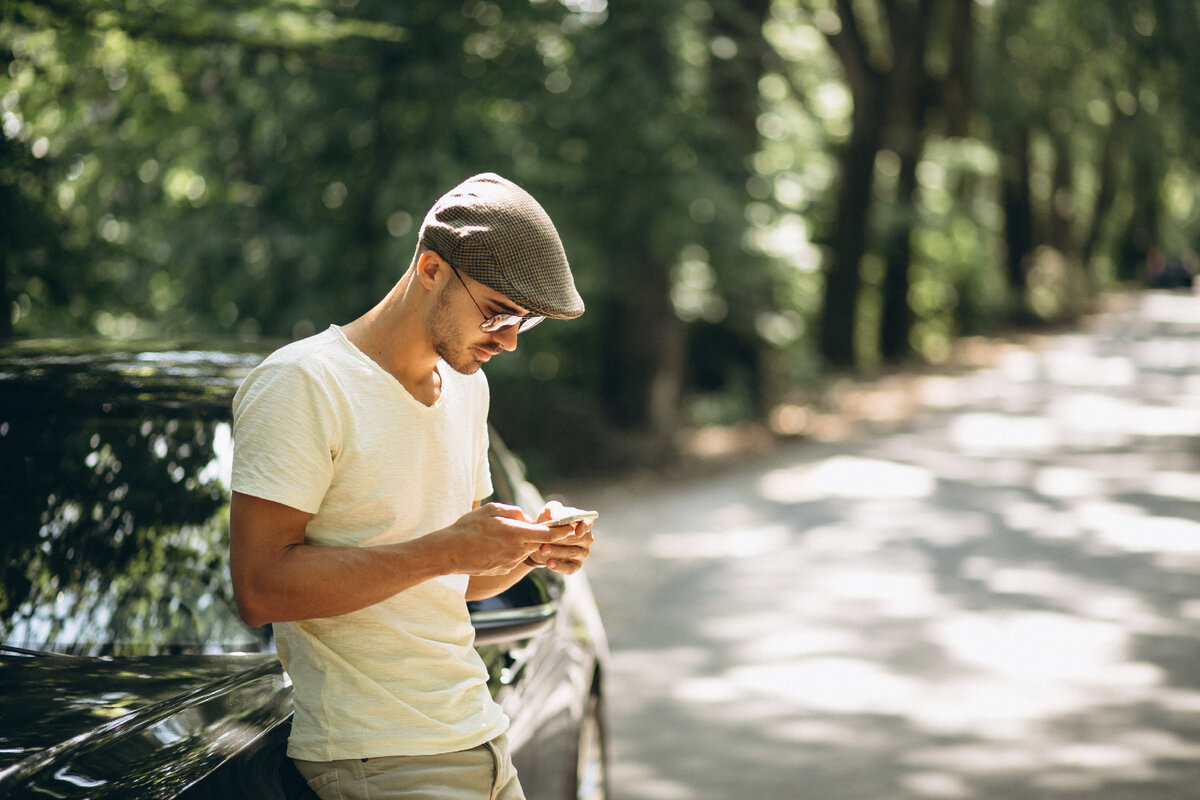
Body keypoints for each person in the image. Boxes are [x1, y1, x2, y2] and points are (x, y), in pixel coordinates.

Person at [228, 172, 594, 800]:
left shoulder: (466, 388)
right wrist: (445, 550)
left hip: (480, 737)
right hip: (381, 759)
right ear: (430, 268)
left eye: (524, 323)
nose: (507, 341)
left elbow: (457, 581)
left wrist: (529, 549)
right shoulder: (305, 384)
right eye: (499, 313)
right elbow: (260, 588)